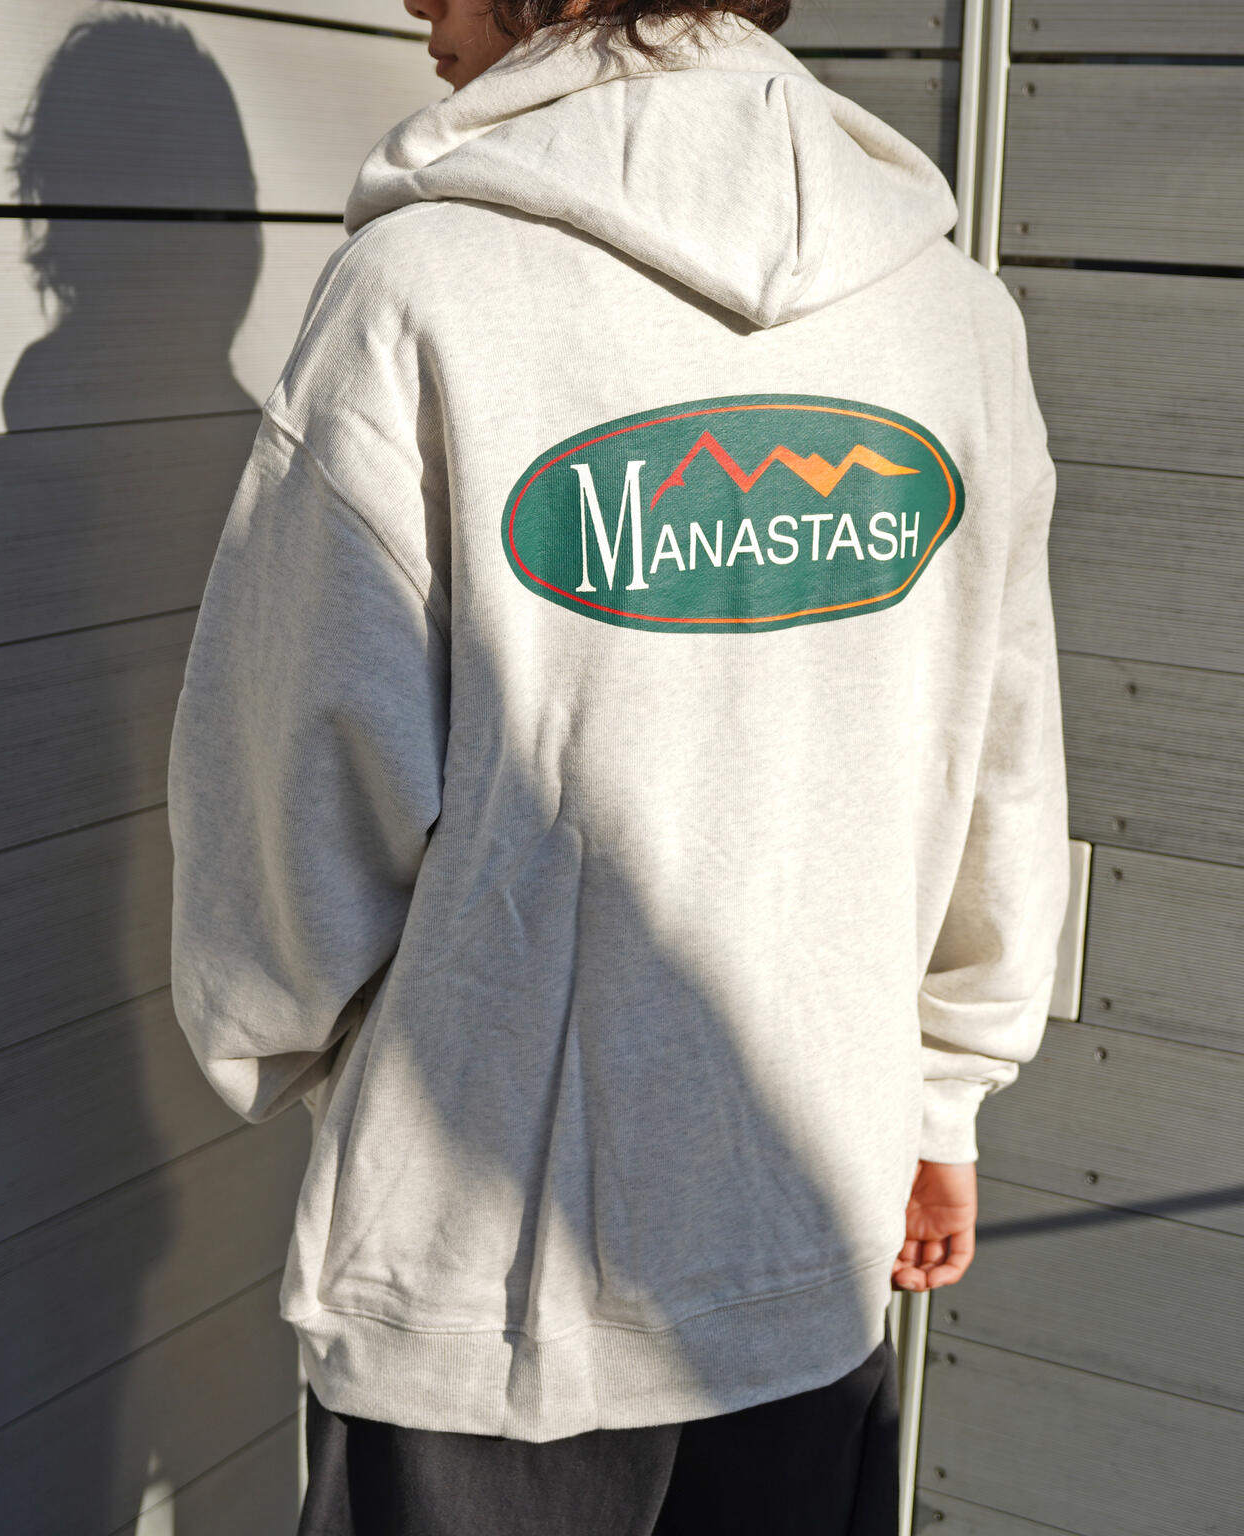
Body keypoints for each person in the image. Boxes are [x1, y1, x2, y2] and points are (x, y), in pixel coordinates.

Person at [165, 0, 1071, 1530]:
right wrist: (937, 1102)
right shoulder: (953, 317)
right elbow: (1003, 760)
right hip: (808, 1245)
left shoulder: (420, 296)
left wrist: (302, 1064)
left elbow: (288, 802)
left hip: (482, 1303)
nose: (413, 3)